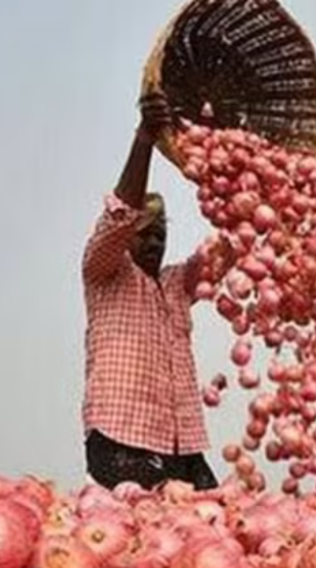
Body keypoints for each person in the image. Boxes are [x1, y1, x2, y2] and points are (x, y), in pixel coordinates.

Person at [80, 92, 220, 492]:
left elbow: (228, 246)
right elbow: (119, 215)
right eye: (146, 234)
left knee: (206, 534)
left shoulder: (177, 284)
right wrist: (145, 139)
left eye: (162, 234)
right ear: (128, 239)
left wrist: (227, 173)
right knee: (138, 538)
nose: (156, 242)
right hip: (123, 435)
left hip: (183, 442)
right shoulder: (104, 272)